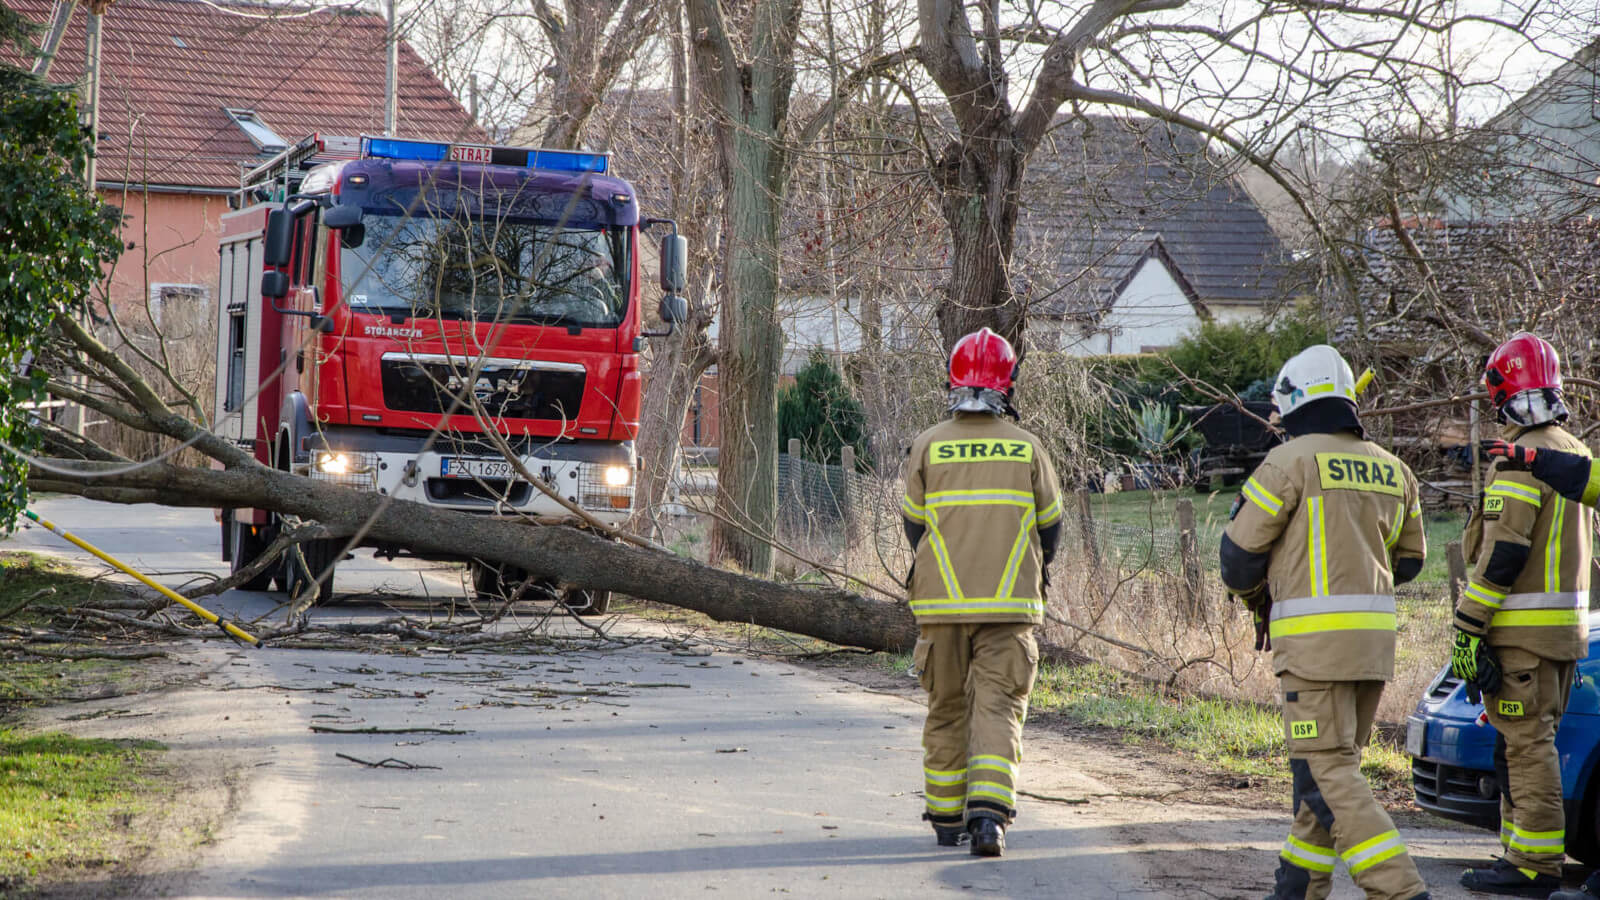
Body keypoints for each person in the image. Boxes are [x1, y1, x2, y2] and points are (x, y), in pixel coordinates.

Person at [1219, 344, 1431, 900]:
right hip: (1372, 651)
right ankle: (1298, 887)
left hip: (1312, 654)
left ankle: (1402, 890)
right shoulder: (1394, 468)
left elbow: (1237, 559)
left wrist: (1259, 595)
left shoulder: (1288, 463)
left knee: (1330, 775)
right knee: (1328, 774)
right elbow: (1409, 562)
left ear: (1294, 400)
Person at [901, 327, 1062, 858]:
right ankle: (989, 821)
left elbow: (915, 529)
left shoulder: (927, 445)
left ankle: (947, 821)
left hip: (941, 607)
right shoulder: (1028, 449)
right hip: (1010, 607)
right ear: (1006, 384)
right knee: (998, 708)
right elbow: (1051, 528)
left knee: (945, 708)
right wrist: (1036, 572)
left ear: (952, 380)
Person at [1451, 333, 1592, 897]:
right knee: (1528, 740)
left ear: (1502, 391)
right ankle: (1518, 854)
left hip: (1522, 635)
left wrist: (1466, 628)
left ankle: (1533, 864)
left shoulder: (1520, 459)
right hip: (1564, 634)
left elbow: (1502, 555)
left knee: (1525, 744)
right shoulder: (1576, 452)